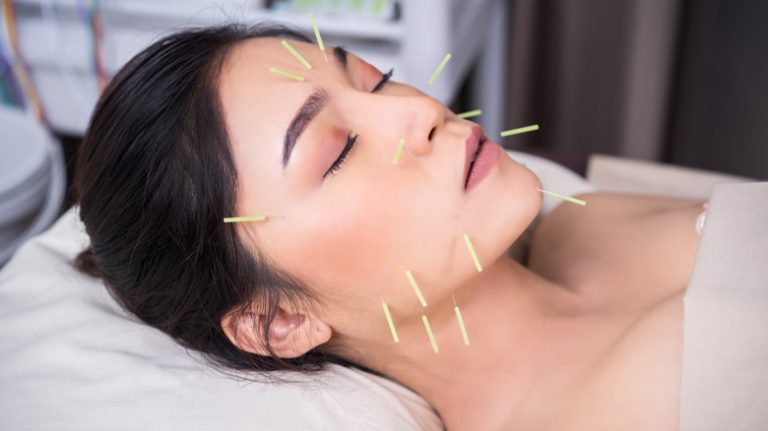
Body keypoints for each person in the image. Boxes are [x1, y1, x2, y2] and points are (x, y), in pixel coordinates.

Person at [74, 23, 705, 430]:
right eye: (339, 151)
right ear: (279, 322)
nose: (416, 113)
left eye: (375, 82)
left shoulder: (583, 225)